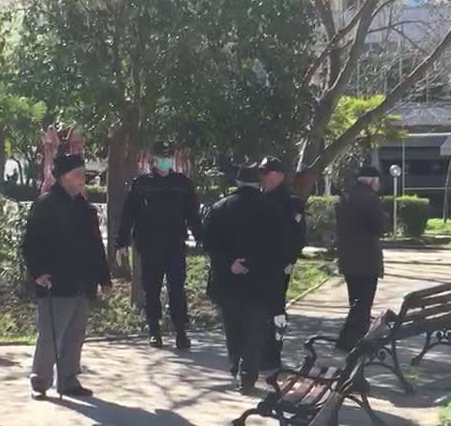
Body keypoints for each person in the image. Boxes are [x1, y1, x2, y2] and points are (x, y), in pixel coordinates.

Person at [22, 154, 113, 399]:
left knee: (75, 335)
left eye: (83, 172)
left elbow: (96, 246)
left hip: (82, 282)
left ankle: (68, 380)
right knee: (50, 336)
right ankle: (40, 381)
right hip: (55, 282)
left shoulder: (85, 209)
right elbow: (31, 243)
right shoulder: (45, 204)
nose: (83, 177)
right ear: (64, 177)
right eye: (77, 173)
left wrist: (104, 278)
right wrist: (38, 273)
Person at [203, 164, 285, 394]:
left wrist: (230, 262)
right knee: (255, 329)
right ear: (258, 183)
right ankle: (248, 374)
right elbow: (279, 246)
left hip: (227, 280)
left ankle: (236, 365)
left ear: (237, 182)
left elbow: (208, 243)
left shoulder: (220, 208)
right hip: (260, 280)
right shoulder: (271, 208)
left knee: (233, 326)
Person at [115, 140, 204, 349]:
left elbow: (192, 215)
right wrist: (121, 242)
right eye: (161, 157)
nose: (165, 161)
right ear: (153, 159)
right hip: (149, 245)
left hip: (175, 244)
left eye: (168, 156)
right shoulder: (142, 184)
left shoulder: (182, 184)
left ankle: (180, 331)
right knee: (151, 289)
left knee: (177, 289)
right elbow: (128, 215)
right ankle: (154, 330)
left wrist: (201, 238)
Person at [258, 156, 306, 372]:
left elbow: (299, 237)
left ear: (278, 176)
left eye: (265, 173)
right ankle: (260, 351)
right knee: (259, 309)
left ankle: (273, 352)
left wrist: (289, 261)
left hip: (278, 266)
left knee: (276, 309)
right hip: (258, 265)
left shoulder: (291, 203)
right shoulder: (258, 200)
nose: (262, 177)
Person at [335, 166, 385, 352]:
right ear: (372, 181)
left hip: (348, 258)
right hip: (367, 259)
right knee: (363, 304)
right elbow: (379, 227)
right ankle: (349, 341)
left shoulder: (345, 197)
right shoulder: (371, 199)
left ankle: (355, 340)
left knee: (355, 301)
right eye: (377, 181)